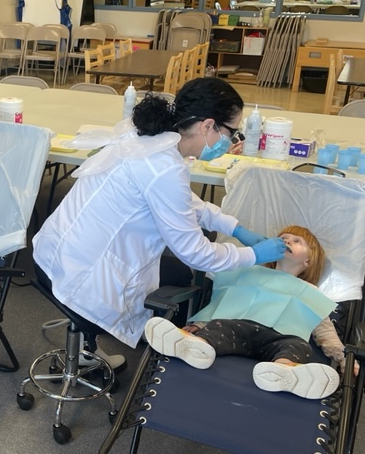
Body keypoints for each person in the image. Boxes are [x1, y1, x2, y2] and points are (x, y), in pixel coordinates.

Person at [33, 77, 286, 354]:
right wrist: (253, 256)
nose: (232, 141)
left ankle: (90, 347)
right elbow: (195, 253)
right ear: (208, 126)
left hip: (55, 252)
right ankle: (157, 357)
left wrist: (234, 227)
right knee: (181, 276)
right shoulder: (164, 167)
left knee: (172, 271)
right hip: (83, 277)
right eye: (232, 133)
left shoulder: (149, 136)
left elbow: (180, 201)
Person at [146, 225, 357, 399]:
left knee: (299, 346)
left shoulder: (311, 291)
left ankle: (284, 371)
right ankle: (196, 347)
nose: (287, 241)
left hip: (281, 338)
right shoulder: (247, 271)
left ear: (308, 261)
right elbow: (224, 302)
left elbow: (325, 331)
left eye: (296, 241)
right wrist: (199, 325)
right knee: (220, 327)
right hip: (239, 328)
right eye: (283, 237)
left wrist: (342, 357)